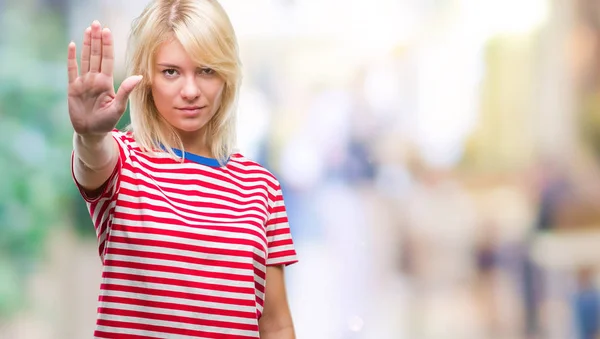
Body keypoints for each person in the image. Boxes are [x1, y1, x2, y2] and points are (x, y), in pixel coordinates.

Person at [66, 1, 298, 338]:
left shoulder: (261, 187)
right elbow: (92, 159)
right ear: (147, 78)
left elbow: (276, 324)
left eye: (206, 70)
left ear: (227, 75)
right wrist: (88, 134)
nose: (190, 91)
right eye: (171, 71)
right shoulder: (124, 161)